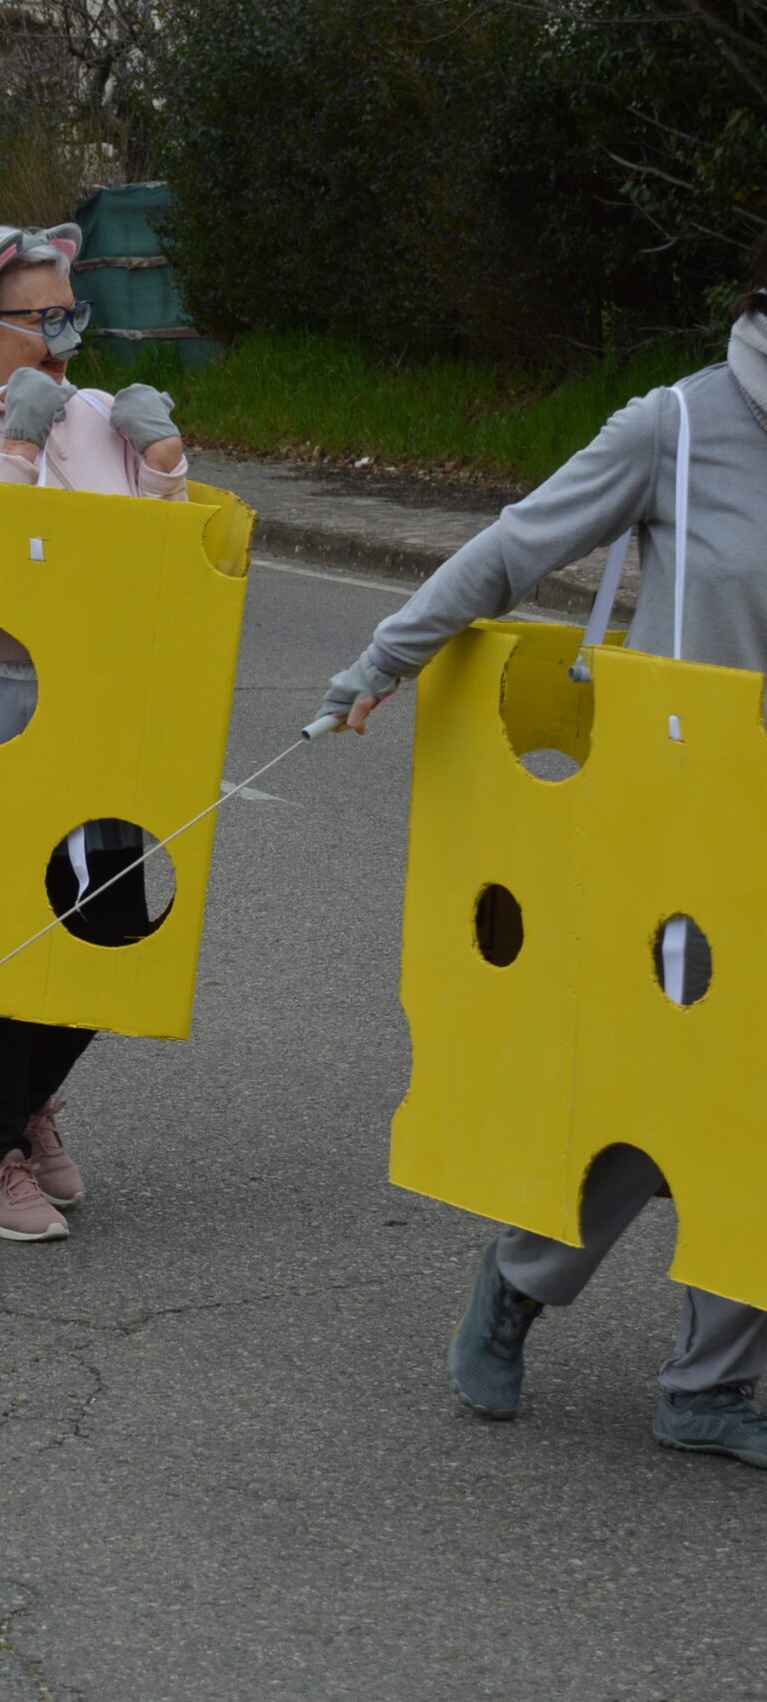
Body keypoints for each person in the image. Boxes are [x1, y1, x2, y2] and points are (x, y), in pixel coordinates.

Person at [318, 241, 767, 1470]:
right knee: (654, 1099)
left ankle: (711, 1386)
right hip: (677, 831)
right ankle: (520, 1278)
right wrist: (385, 660)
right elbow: (517, 547)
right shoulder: (677, 426)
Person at [0, 222, 193, 1243]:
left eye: (74, 311)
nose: (66, 334)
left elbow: (157, 568)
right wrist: (14, 447)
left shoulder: (96, 414)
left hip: (99, 711)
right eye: (41, 315)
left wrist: (159, 463)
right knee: (17, 937)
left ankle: (18, 1105)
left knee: (110, 930)